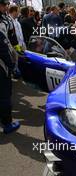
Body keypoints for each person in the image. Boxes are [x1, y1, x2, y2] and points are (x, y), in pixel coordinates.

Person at [0, 0, 20, 134]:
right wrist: (12, 66)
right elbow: (2, 47)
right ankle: (7, 123)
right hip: (1, 65)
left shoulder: (5, 19)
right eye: (3, 4)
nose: (6, 6)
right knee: (4, 95)